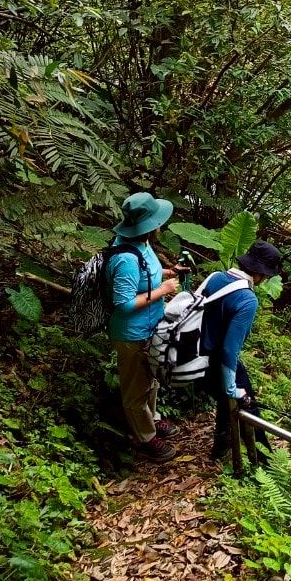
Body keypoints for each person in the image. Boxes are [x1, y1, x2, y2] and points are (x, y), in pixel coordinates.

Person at [107, 191, 187, 463]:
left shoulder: (140, 244)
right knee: (135, 389)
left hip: (151, 328)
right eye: (157, 221)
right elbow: (123, 303)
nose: (160, 226)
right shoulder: (125, 258)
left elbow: (146, 274)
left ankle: (152, 419)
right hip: (132, 334)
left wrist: (169, 273)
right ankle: (144, 437)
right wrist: (162, 290)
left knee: (151, 379)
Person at [198, 240, 283, 460]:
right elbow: (229, 350)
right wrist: (232, 389)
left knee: (227, 401)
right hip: (217, 360)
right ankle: (267, 464)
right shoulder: (247, 299)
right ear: (260, 273)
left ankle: (221, 447)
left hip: (196, 355)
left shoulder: (215, 277)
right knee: (247, 406)